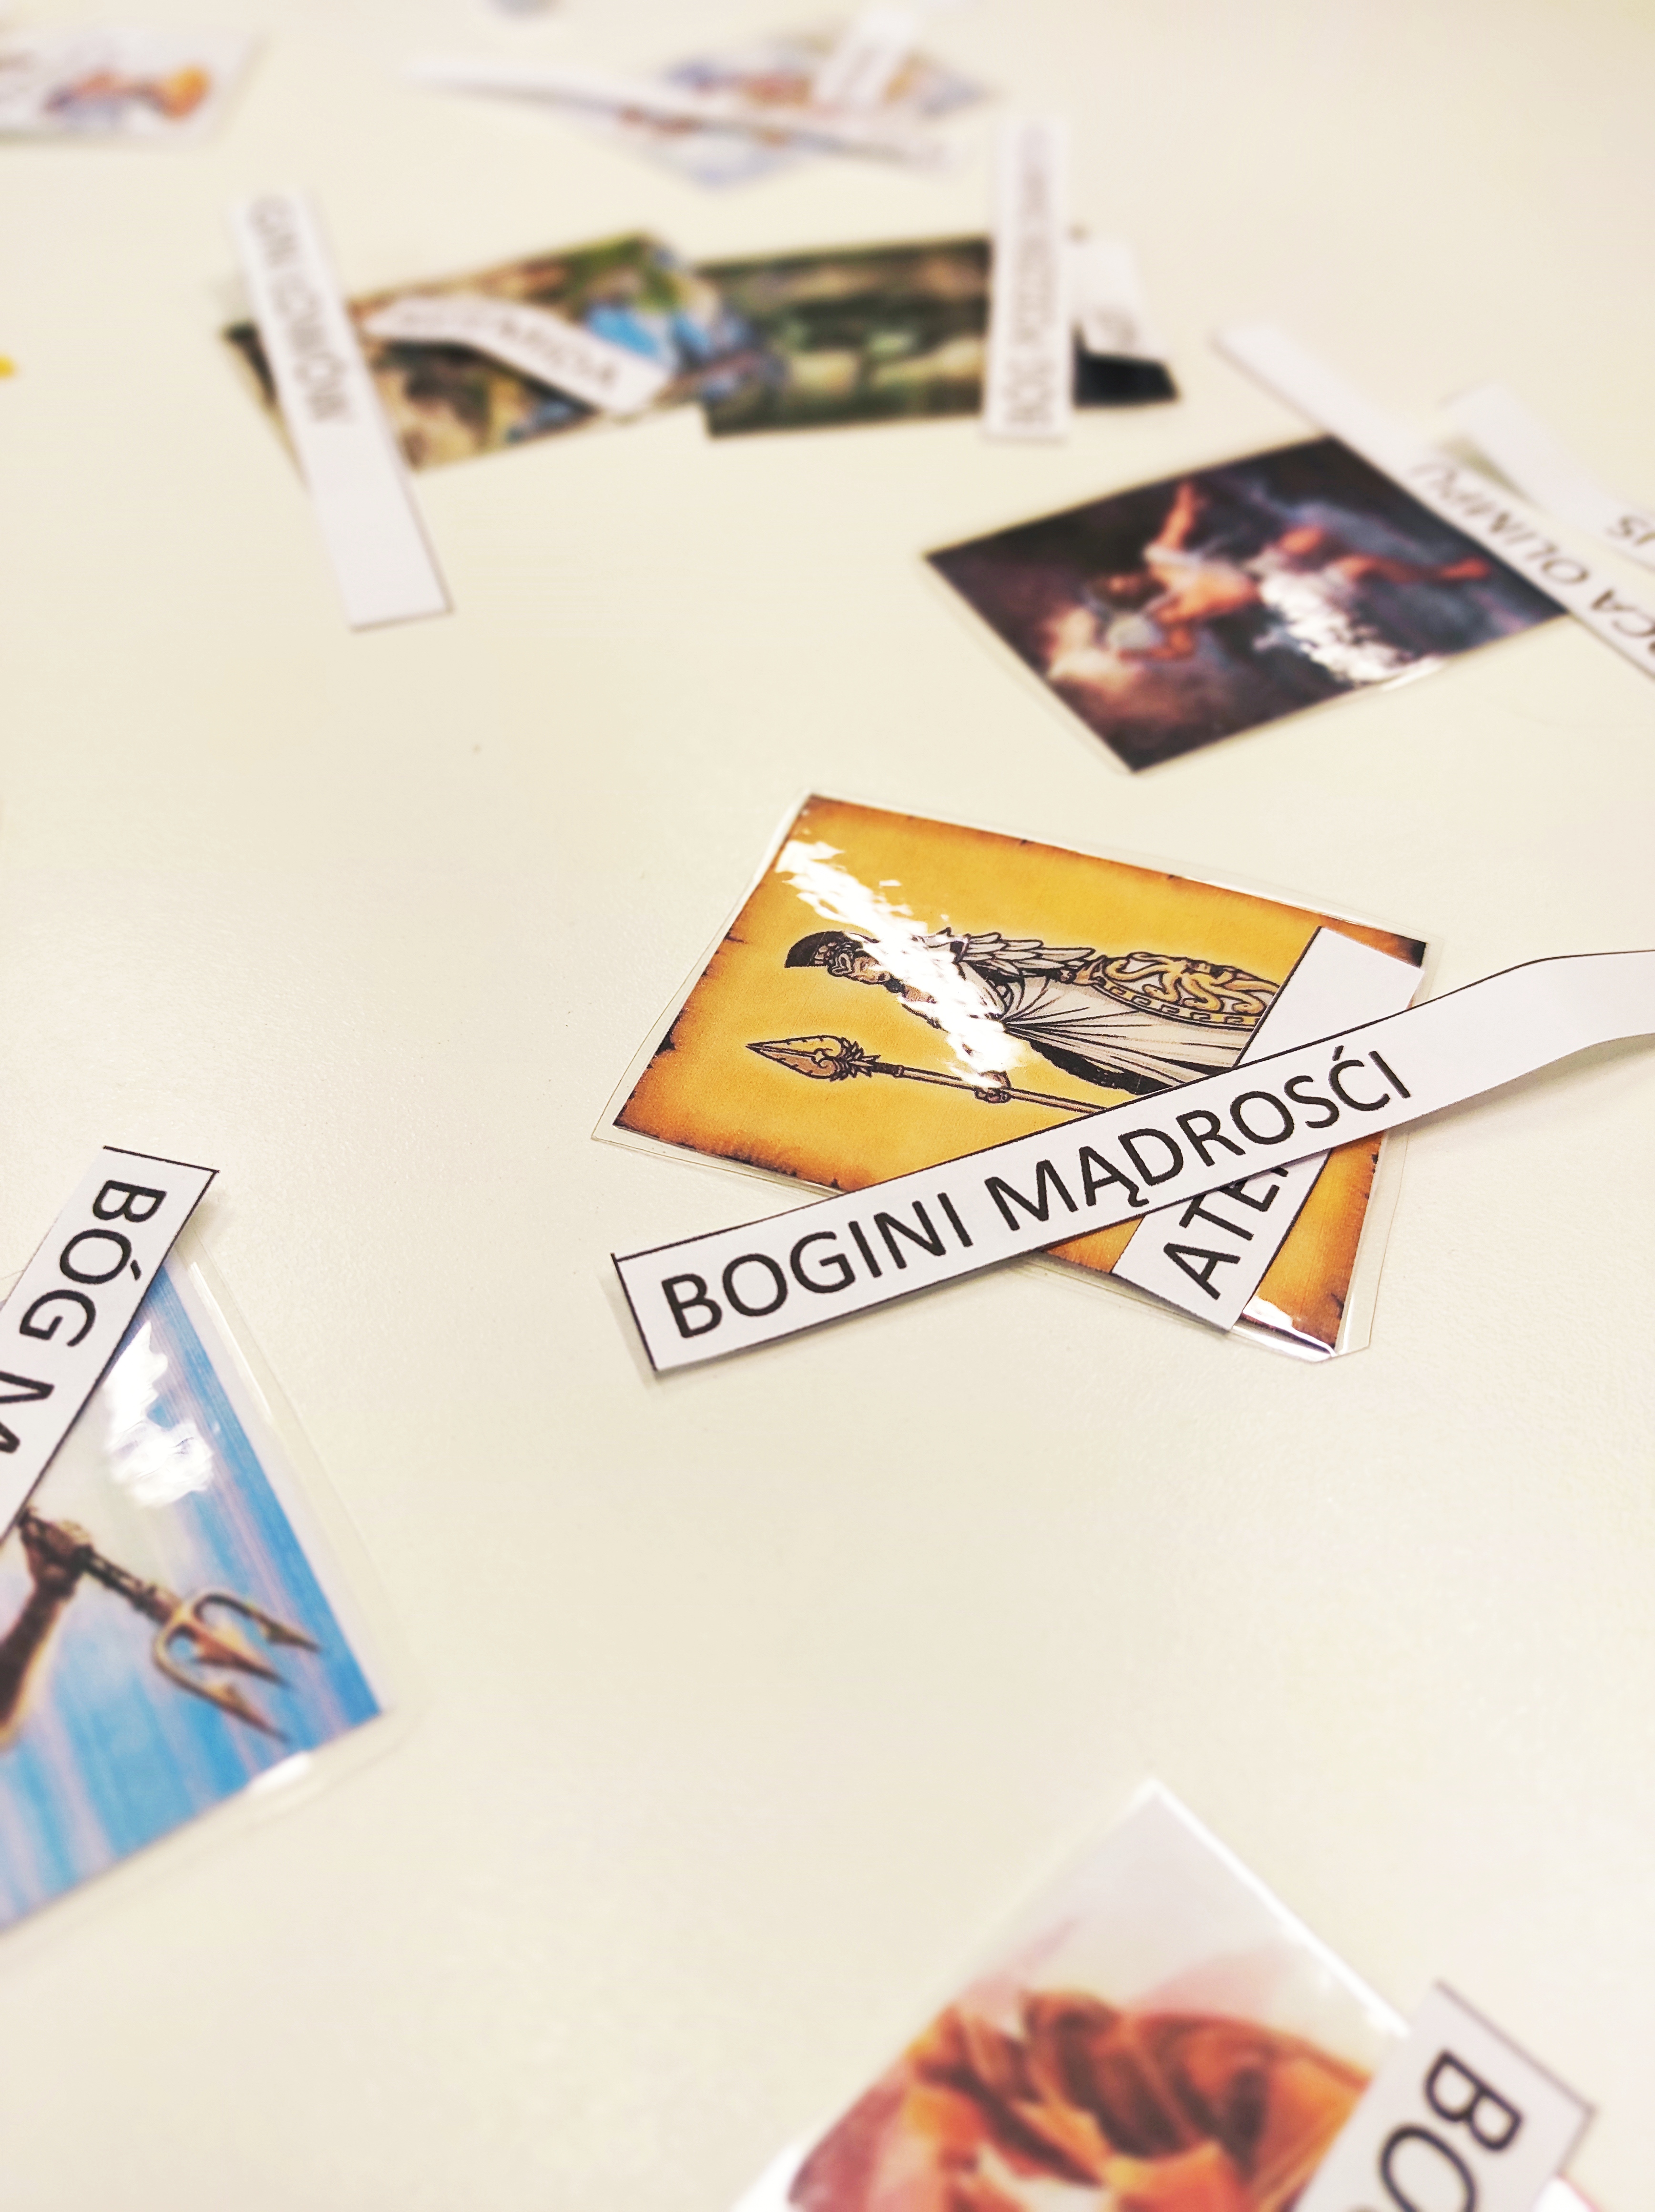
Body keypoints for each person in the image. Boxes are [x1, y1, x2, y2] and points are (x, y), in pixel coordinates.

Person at [784, 925, 1278, 1099]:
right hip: (1045, 1028)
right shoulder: (907, 994)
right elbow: (966, 1031)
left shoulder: (930, 956)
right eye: (845, 973)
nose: (856, 973)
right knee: (1133, 1067)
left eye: (854, 960)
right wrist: (989, 1073)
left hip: (1058, 1002)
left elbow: (982, 1004)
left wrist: (985, 1065)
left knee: (1155, 1038)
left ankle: (1262, 1054)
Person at [1082, 479, 1491, 681]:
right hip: (1283, 594)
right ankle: (1447, 575)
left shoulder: (1161, 560)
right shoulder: (1171, 616)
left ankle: (1374, 573)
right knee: (1361, 565)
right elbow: (1182, 651)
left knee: (1311, 536)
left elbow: (1179, 520)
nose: (1132, 582)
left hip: (1265, 567)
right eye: (1126, 590)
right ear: (1131, 603)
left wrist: (1187, 492)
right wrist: (1140, 655)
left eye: (1125, 578)